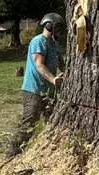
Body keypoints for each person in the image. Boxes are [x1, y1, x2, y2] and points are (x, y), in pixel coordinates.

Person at [5, 12, 65, 158]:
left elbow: (62, 65)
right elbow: (39, 64)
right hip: (33, 89)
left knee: (53, 120)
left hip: (48, 91)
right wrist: (53, 79)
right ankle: (12, 152)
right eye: (57, 27)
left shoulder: (55, 45)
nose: (59, 31)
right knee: (29, 121)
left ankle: (42, 150)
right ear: (49, 25)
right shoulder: (38, 41)